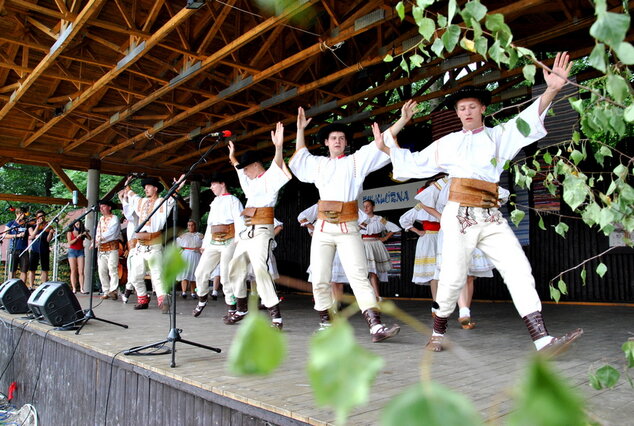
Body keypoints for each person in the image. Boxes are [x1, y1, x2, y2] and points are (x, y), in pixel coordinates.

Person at [376, 52, 582, 354]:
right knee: (452, 276)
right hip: (459, 214)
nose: (467, 111)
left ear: (483, 108)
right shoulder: (447, 143)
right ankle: (438, 330)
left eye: (472, 106)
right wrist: (388, 147)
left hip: (491, 215)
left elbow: (526, 121)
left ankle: (542, 340)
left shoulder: (499, 136)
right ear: (457, 113)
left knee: (518, 268)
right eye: (462, 108)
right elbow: (411, 164)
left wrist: (551, 89)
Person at [289, 102, 416, 342]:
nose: (337, 141)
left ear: (346, 142)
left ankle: (376, 326)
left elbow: (382, 141)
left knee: (359, 275)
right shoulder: (318, 164)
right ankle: (326, 323)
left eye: (341, 138)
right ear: (326, 142)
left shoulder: (356, 162)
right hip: (324, 228)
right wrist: (299, 130)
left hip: (348, 228)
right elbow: (300, 158)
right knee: (319, 277)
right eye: (333, 138)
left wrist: (402, 121)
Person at [225, 122, 291, 329]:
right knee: (234, 267)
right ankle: (242, 308)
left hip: (262, 230)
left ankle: (276, 316)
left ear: (254, 165)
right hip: (247, 232)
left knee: (260, 268)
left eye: (246, 168)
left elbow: (277, 163)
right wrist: (232, 157)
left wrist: (278, 147)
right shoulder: (249, 181)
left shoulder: (270, 178)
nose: (243, 172)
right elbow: (237, 169)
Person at [124, 175, 185, 312]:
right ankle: (143, 298)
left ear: (155, 188)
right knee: (135, 276)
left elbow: (173, 195)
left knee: (157, 274)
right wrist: (127, 184)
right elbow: (130, 193)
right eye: (145, 187)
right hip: (140, 245)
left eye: (148, 186)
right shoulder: (141, 201)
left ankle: (163, 301)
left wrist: (178, 184)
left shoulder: (161, 202)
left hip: (154, 244)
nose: (145, 189)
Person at [192, 173, 243, 318]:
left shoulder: (233, 200)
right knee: (200, 272)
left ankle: (231, 307)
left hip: (229, 240)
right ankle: (202, 299)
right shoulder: (214, 202)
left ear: (222, 184)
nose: (211, 187)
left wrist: (238, 240)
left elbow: (240, 221)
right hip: (213, 242)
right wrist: (205, 243)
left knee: (226, 275)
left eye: (213, 184)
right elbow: (210, 225)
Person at [398, 177, 445, 296]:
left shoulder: (445, 204)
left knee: (445, 269)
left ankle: (448, 301)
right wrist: (418, 231)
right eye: (433, 187)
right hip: (429, 239)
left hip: (444, 237)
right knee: (433, 272)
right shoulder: (421, 206)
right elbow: (404, 219)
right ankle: (437, 303)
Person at [359, 199, 400, 302]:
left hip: (375, 244)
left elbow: (395, 228)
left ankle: (377, 296)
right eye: (364, 206)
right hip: (363, 244)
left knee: (373, 271)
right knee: (363, 272)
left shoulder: (379, 219)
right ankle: (367, 296)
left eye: (368, 206)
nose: (366, 208)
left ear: (373, 207)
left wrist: (385, 238)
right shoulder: (360, 219)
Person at [95, 200, 121, 300]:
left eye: (103, 206)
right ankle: (106, 290)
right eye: (100, 207)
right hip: (102, 248)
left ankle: (113, 290)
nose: (101, 208)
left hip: (112, 247)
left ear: (109, 207)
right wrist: (96, 240)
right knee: (102, 270)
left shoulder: (114, 218)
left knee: (112, 269)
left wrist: (100, 239)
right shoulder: (101, 219)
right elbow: (98, 231)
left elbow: (112, 232)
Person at [27, 210, 55, 288]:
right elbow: (32, 235)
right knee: (32, 268)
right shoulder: (32, 226)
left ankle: (43, 286)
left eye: (42, 216)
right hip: (34, 249)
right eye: (39, 216)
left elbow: (48, 240)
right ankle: (31, 286)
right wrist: (37, 225)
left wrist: (50, 233)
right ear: (36, 217)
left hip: (44, 249)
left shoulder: (48, 226)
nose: (41, 218)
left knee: (44, 268)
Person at [177, 220, 203, 299]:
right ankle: (184, 291)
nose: (191, 227)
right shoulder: (183, 235)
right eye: (189, 225)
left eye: (192, 225)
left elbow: (205, 244)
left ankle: (193, 292)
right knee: (185, 273)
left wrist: (200, 250)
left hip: (196, 255)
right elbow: (177, 245)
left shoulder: (200, 235)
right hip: (186, 254)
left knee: (194, 274)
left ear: (195, 226)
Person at [4, 207, 30, 284]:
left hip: (24, 249)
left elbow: (31, 234)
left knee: (24, 269)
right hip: (13, 248)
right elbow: (5, 235)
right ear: (17, 214)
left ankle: (22, 287)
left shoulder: (26, 224)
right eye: (21, 214)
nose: (23, 216)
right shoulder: (11, 223)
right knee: (12, 269)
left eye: (23, 214)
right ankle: (10, 285)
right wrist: (17, 235)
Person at [66, 220, 90, 294]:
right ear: (74, 225)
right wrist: (77, 238)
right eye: (76, 224)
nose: (78, 226)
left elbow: (90, 238)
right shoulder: (70, 232)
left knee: (81, 271)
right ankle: (74, 288)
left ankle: (82, 288)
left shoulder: (82, 232)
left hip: (80, 251)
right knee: (73, 270)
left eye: (79, 224)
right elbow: (70, 242)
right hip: (72, 251)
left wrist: (86, 234)